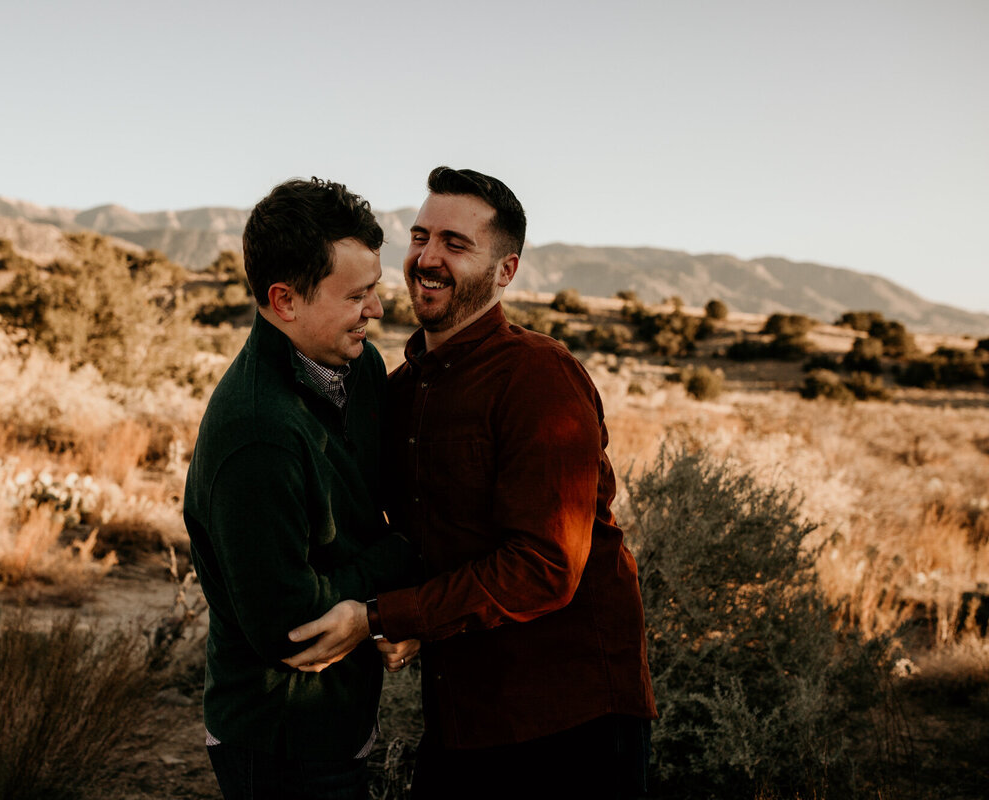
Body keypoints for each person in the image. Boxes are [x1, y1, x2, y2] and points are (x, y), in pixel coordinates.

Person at [283, 167, 657, 798]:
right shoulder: (399, 391)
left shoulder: (538, 378)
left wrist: (381, 616)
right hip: (464, 718)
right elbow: (418, 536)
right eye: (420, 236)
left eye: (455, 245)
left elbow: (545, 564)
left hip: (570, 721)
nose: (428, 258)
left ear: (505, 271)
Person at [182, 177, 419, 800]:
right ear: (284, 301)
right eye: (358, 295)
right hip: (278, 740)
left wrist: (378, 611)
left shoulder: (361, 369)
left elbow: (386, 506)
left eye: (376, 289)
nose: (377, 310)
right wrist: (400, 566)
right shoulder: (257, 434)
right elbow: (291, 624)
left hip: (341, 715)